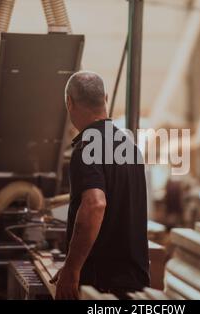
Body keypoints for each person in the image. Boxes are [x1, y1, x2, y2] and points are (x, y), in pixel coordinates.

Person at [52, 71, 150, 299]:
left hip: (102, 286)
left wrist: (72, 270)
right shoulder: (130, 147)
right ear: (105, 98)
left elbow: (95, 204)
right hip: (135, 283)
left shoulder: (86, 147)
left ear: (69, 102)